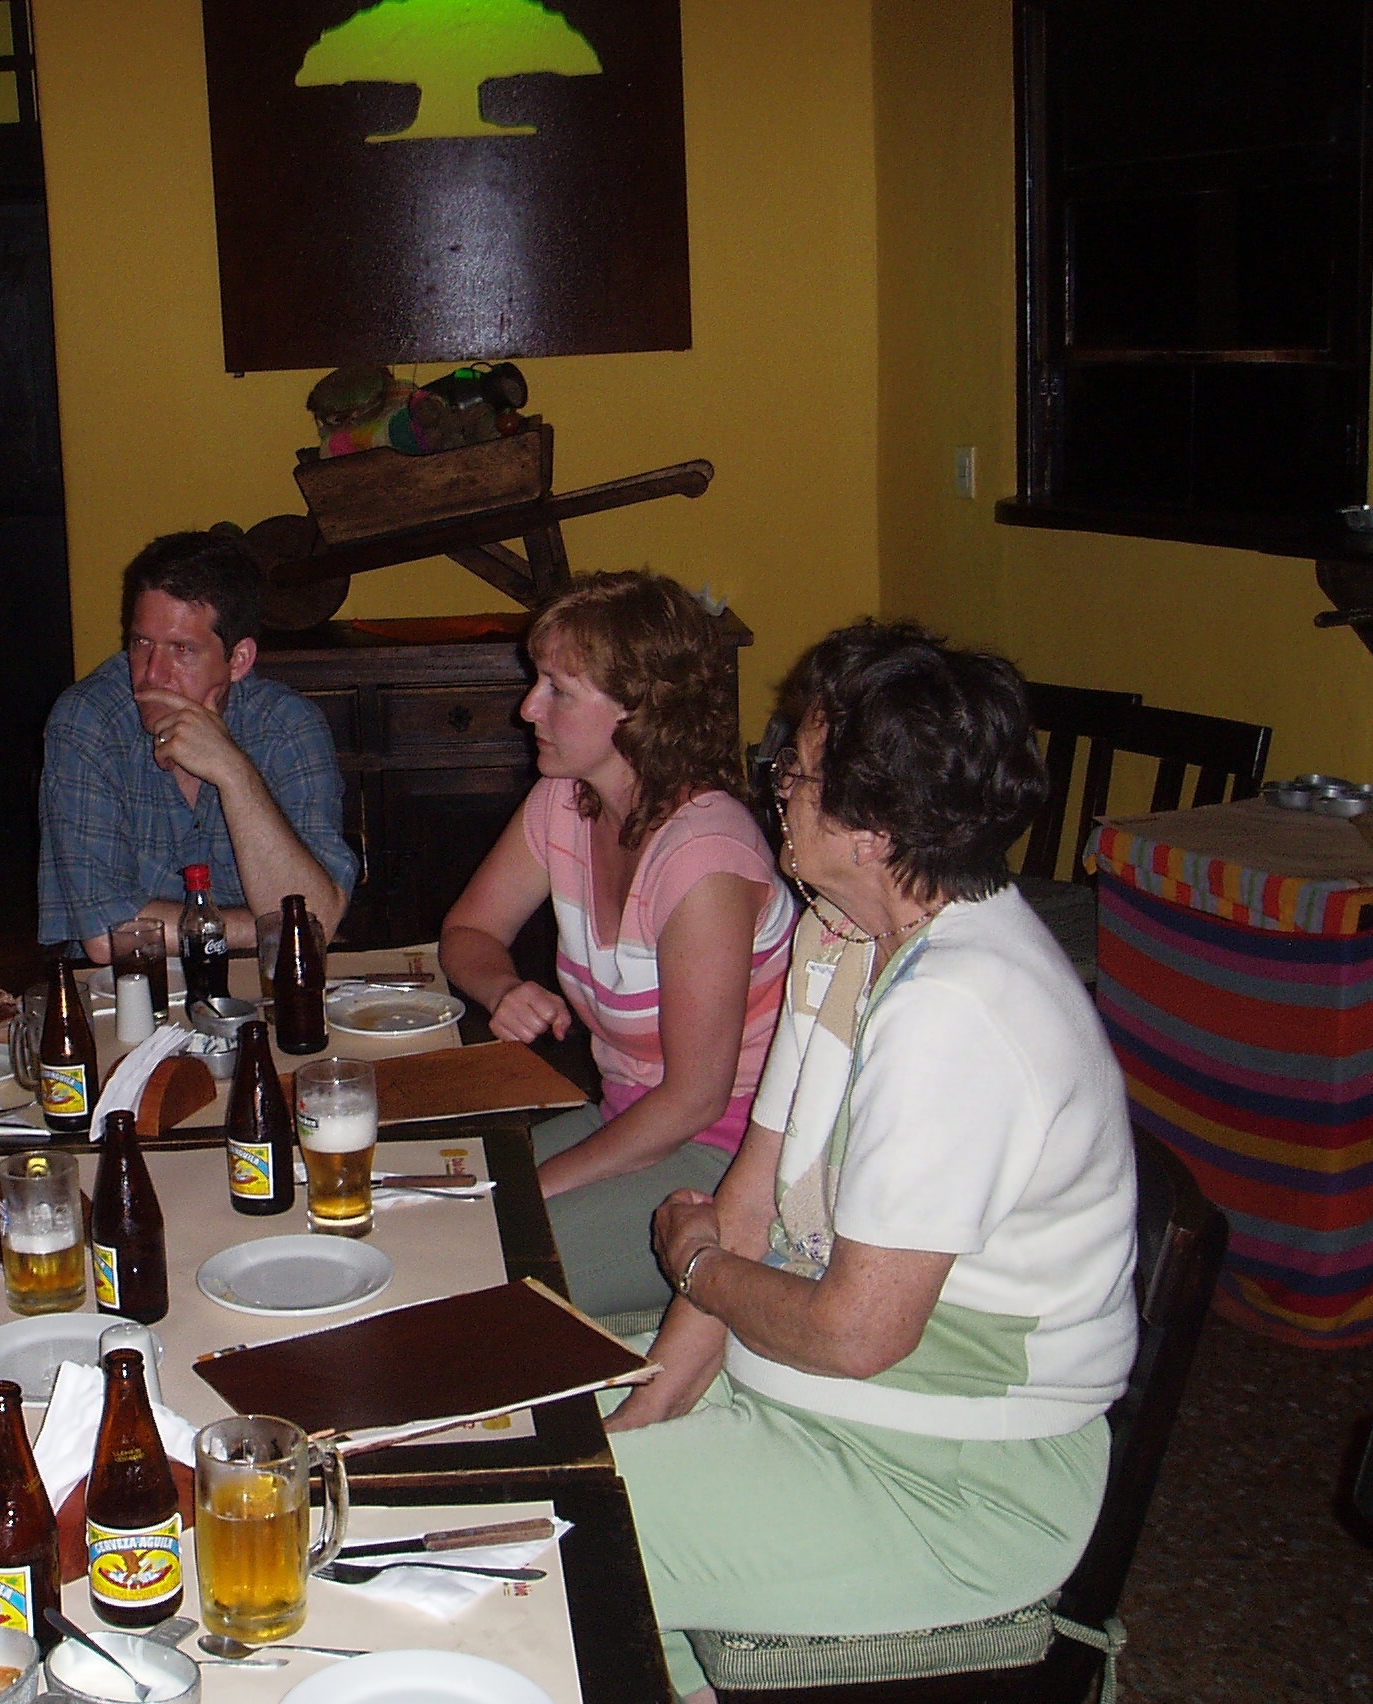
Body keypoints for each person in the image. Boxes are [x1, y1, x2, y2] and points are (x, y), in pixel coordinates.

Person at [607, 621, 1139, 1702]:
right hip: (812, 1407)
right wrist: (651, 1407)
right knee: (518, 1430)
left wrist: (698, 1267)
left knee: (553, 1534)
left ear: (874, 829)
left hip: (947, 1483)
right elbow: (750, 1198)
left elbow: (855, 1332)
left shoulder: (960, 1014)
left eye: (796, 775)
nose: (776, 791)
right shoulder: (844, 937)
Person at [441, 572, 796, 1320]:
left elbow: (696, 1100)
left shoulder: (705, 860)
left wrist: (530, 1189)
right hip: (629, 1118)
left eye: (559, 690)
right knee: (427, 1223)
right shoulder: (564, 803)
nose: (527, 707)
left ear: (640, 709)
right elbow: (469, 933)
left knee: (482, 1273)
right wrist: (502, 987)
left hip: (732, 1158)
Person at [37, 531, 357, 958]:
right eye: (141, 643)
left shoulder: (287, 727)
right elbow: (105, 936)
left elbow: (317, 918)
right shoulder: (89, 720)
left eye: (182, 649)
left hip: (259, 982)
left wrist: (234, 773)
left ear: (238, 660)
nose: (152, 673)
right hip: (131, 986)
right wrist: (265, 927)